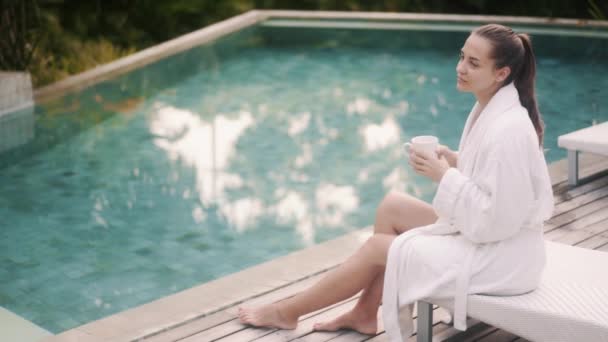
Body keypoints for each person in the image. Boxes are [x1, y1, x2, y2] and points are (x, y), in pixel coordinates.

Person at [238, 23, 554, 341]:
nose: (460, 68)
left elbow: (497, 221)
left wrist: (443, 175)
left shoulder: (508, 130)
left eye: (473, 63)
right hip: (487, 238)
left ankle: (287, 312)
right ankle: (364, 311)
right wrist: (453, 159)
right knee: (393, 206)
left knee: (379, 247)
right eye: (462, 56)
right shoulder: (490, 108)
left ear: (502, 73)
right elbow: (493, 181)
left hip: (502, 260)